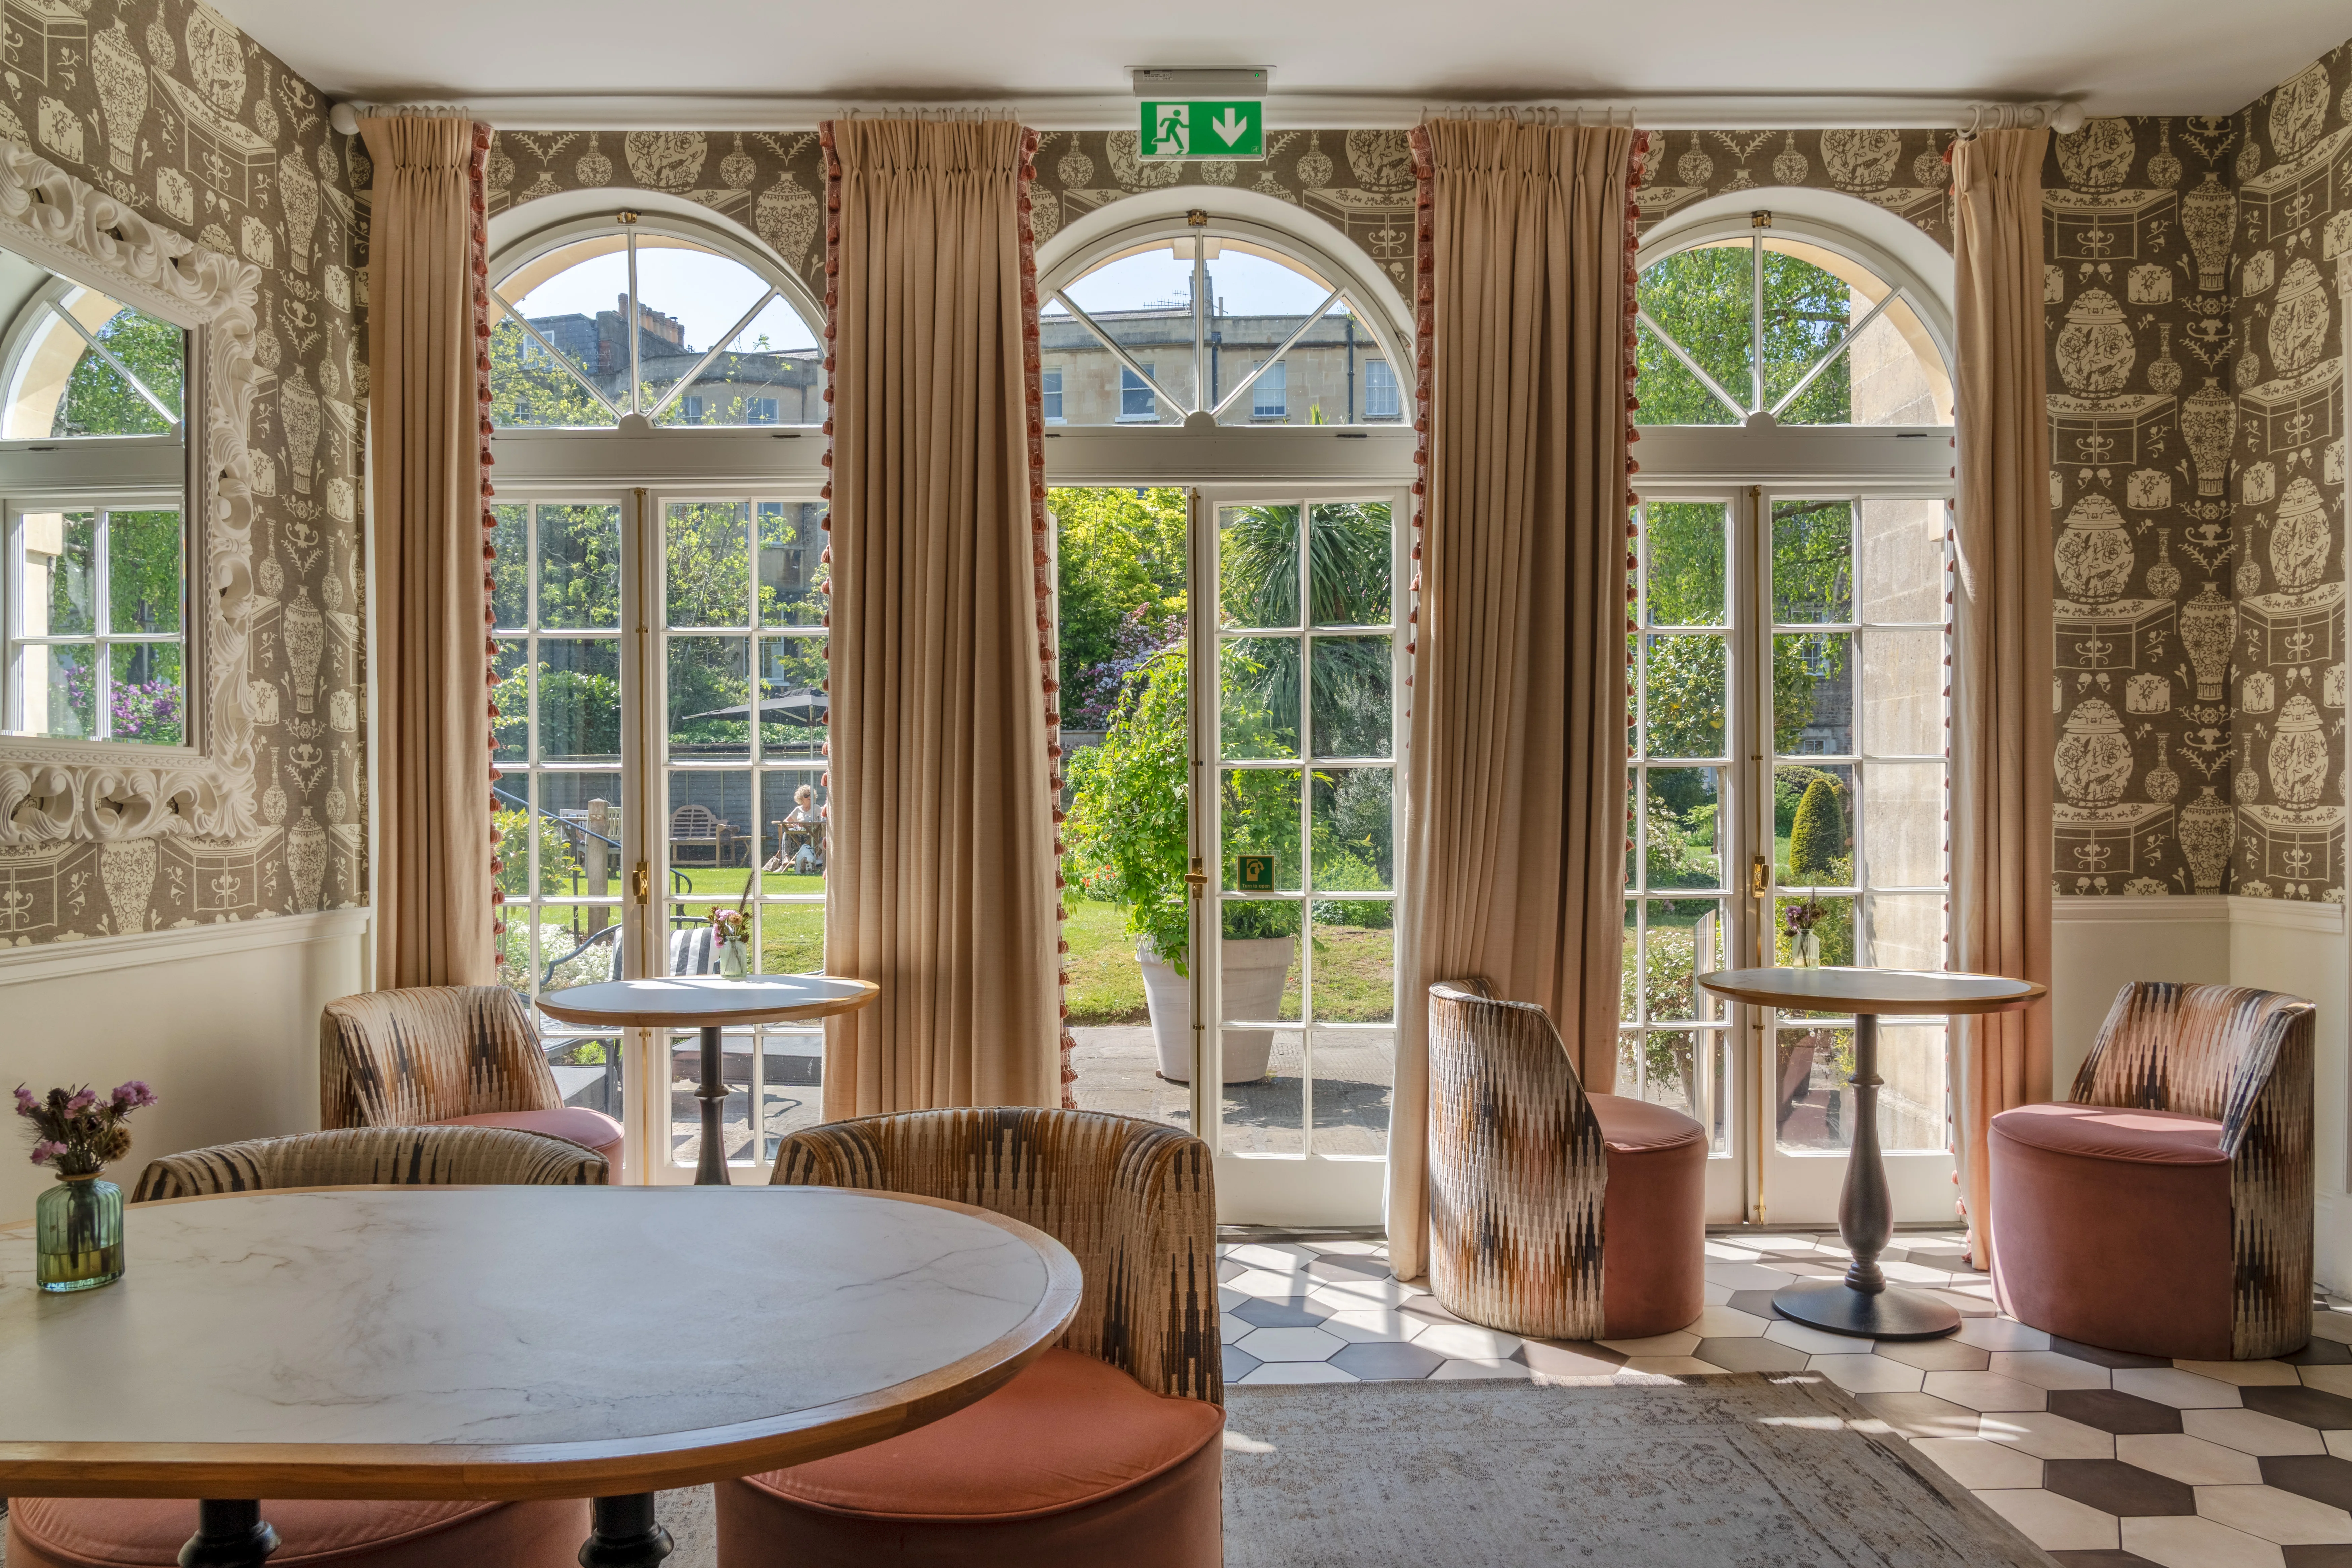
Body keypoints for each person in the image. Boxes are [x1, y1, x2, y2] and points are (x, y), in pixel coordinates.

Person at [783, 785, 823, 875]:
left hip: (812, 836)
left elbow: (824, 820)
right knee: (787, 834)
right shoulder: (798, 810)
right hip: (798, 835)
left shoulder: (817, 808)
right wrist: (797, 824)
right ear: (801, 798)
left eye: (810, 796)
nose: (809, 798)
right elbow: (786, 821)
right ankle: (786, 858)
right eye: (806, 796)